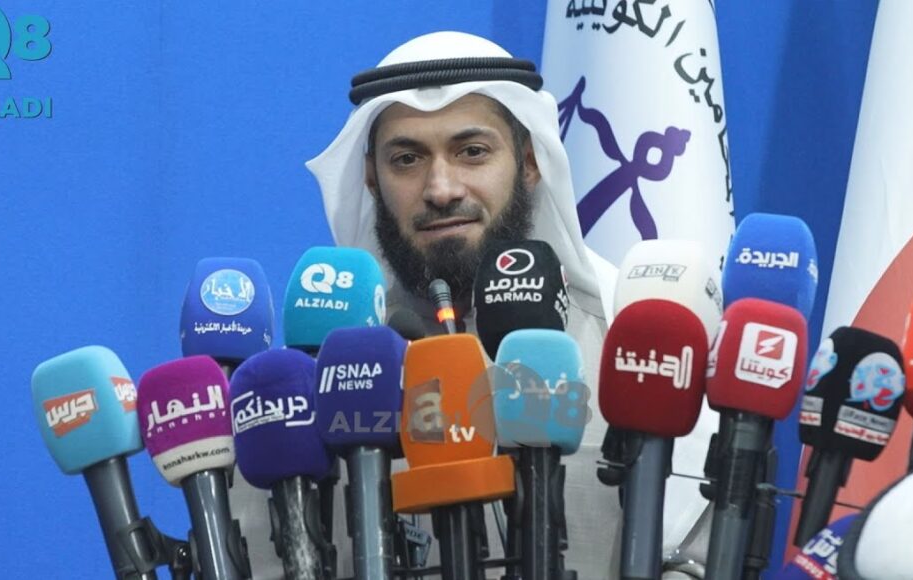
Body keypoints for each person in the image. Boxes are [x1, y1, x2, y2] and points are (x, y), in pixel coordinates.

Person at [232, 31, 710, 579]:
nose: (441, 188)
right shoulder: (326, 374)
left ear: (529, 161)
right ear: (370, 179)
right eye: (407, 159)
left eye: (472, 152)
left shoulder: (631, 346)